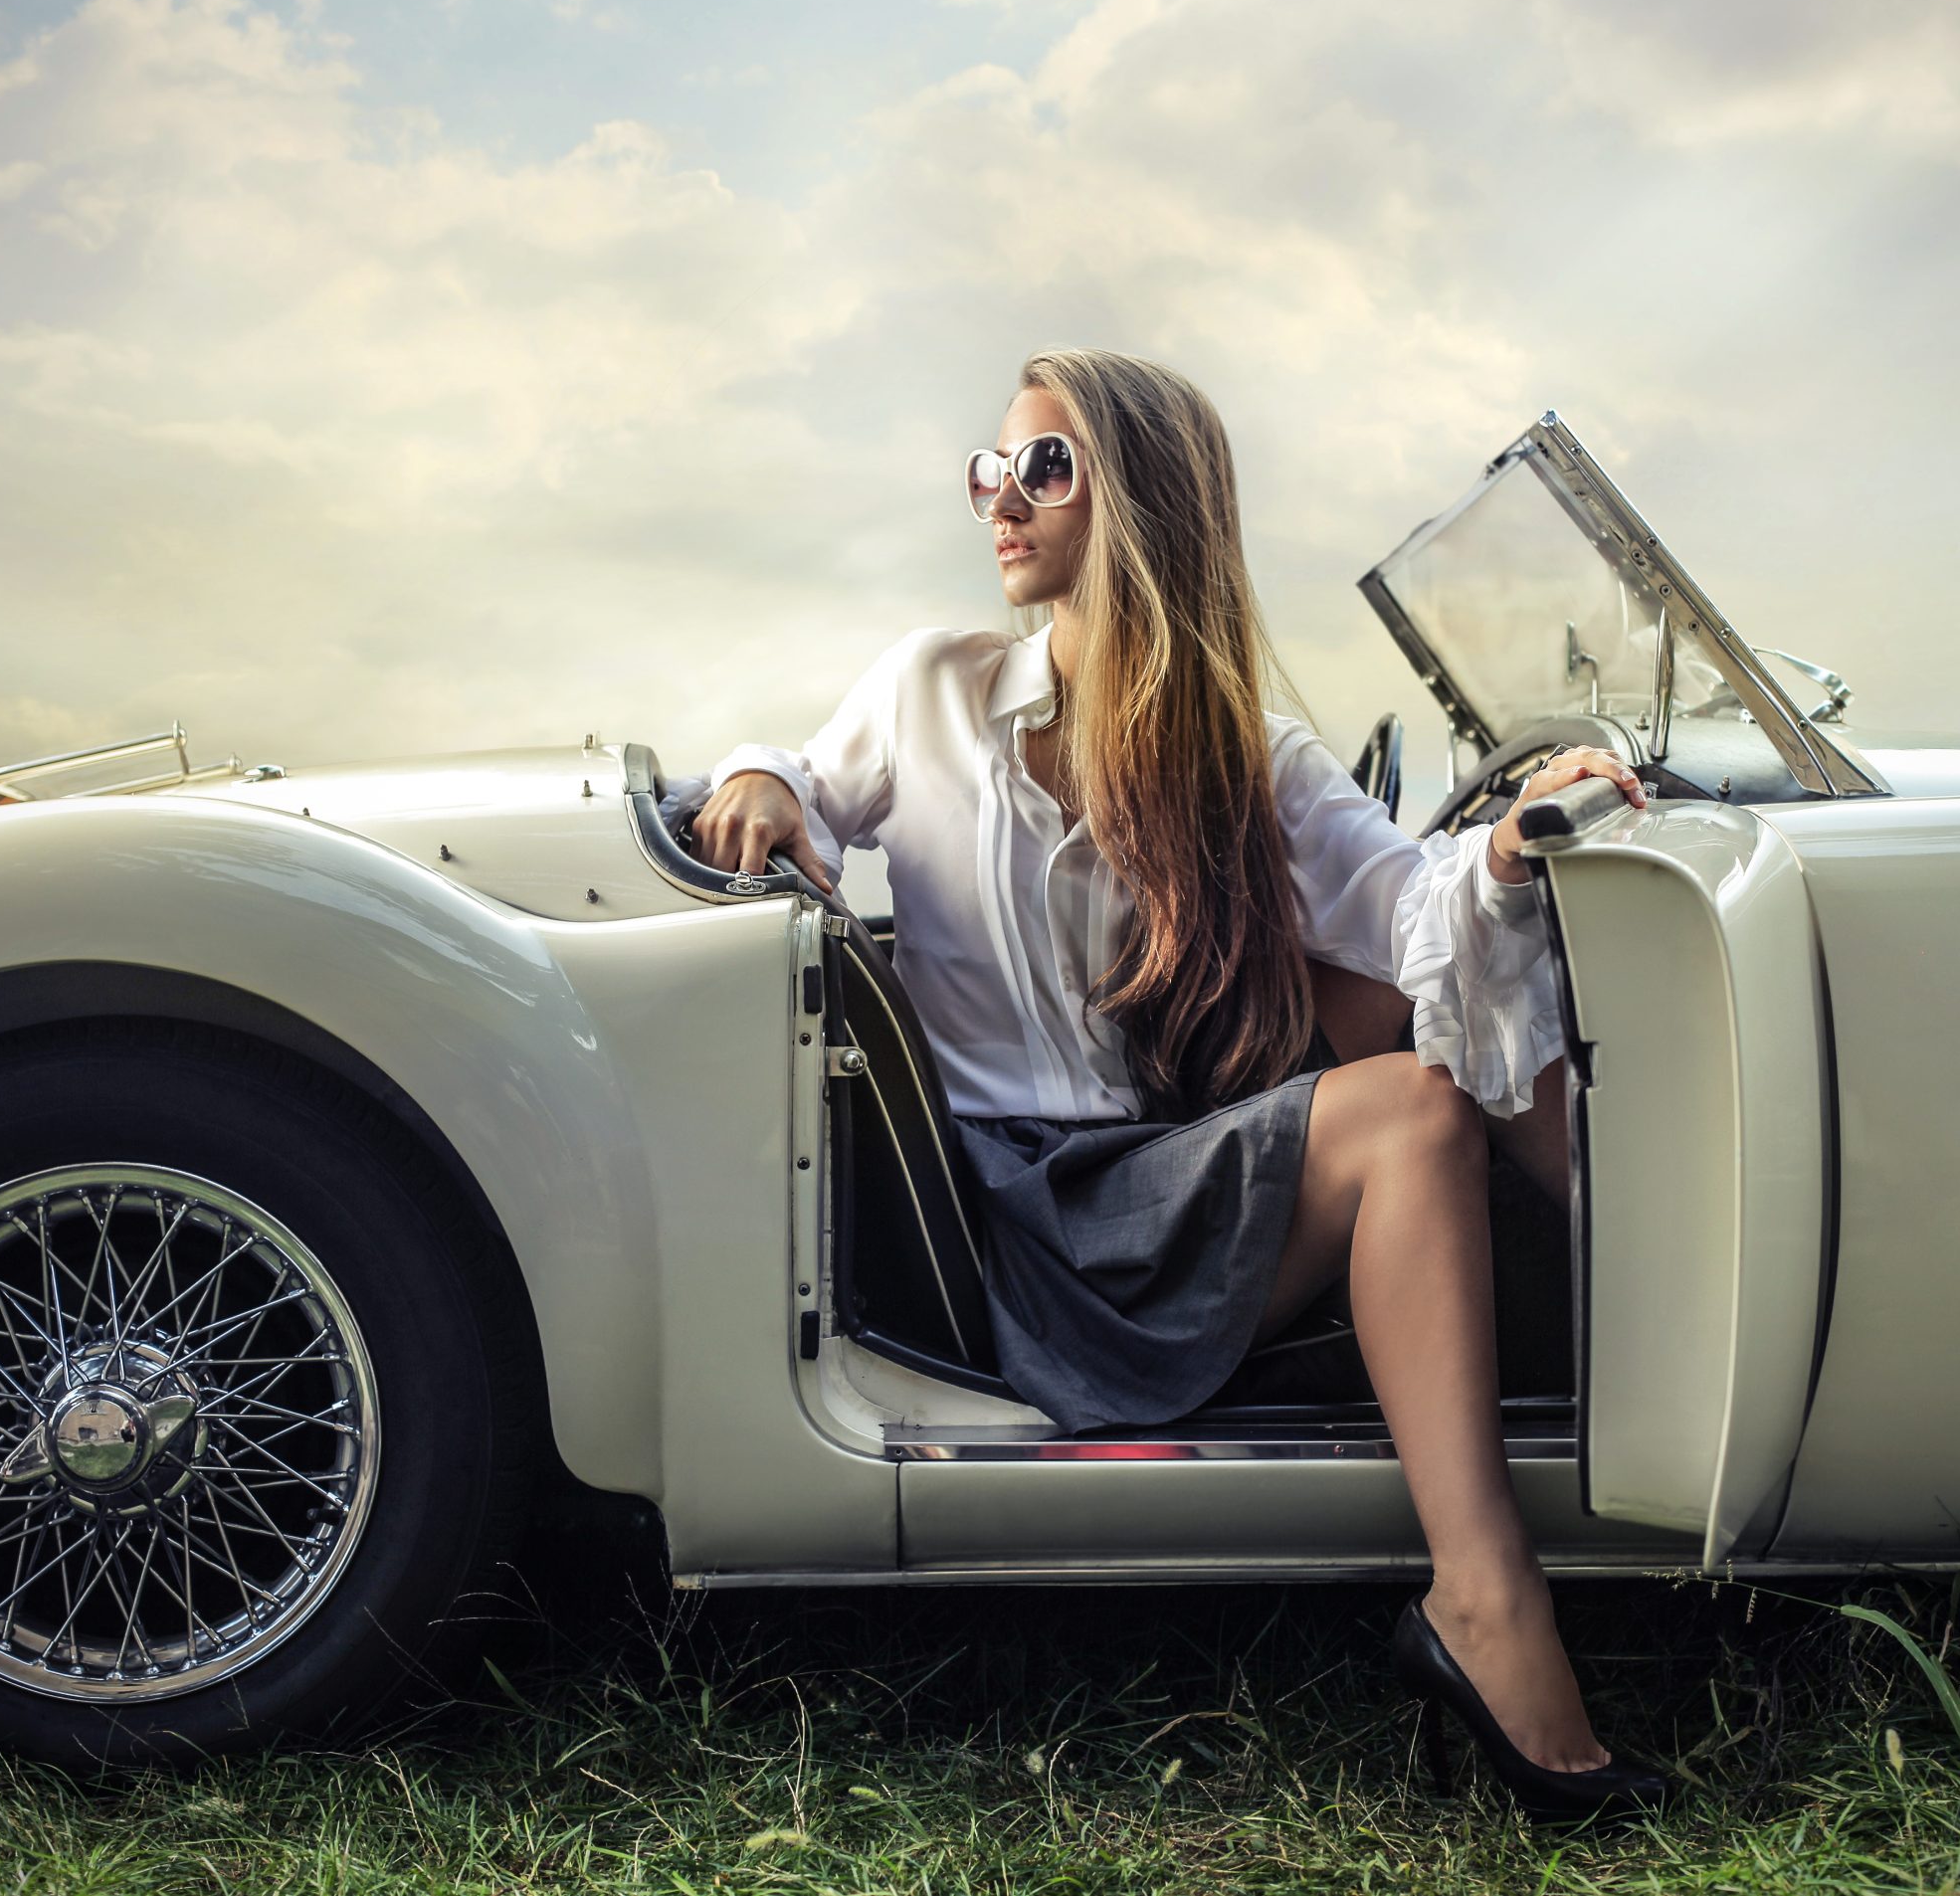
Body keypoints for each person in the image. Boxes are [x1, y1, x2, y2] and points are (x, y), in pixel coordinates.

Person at [691, 349, 1666, 1820]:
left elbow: (1417, 912)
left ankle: (1654, 1299)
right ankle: (1491, 1597)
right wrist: (761, 776)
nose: (999, 501)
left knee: (1411, 1001)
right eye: (990, 470)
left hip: (1156, 1184)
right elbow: (803, 778)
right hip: (1013, 1229)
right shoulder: (932, 689)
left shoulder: (1244, 752)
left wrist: (1515, 845)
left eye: (1042, 468)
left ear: (1138, 498)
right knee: (1414, 1102)